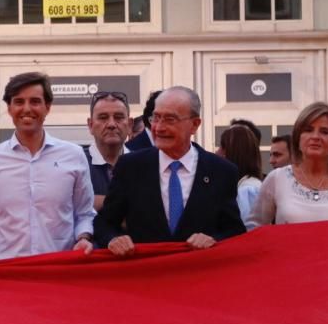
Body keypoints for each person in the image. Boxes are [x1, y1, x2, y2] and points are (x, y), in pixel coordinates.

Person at [0, 72, 95, 268]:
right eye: (19, 101)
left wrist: (83, 237)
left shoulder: (74, 155)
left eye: (35, 101)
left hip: (59, 270)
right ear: (9, 108)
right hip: (8, 274)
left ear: (47, 107)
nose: (27, 108)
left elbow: (84, 213)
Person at [94, 86, 245, 255]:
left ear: (195, 124)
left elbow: (234, 231)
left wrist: (214, 240)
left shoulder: (221, 171)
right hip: (147, 274)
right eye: (156, 118)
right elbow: (104, 223)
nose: (159, 128)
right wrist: (113, 239)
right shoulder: (131, 167)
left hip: (200, 275)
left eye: (170, 119)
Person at [247, 102, 328, 228]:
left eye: (325, 132)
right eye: (308, 130)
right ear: (298, 138)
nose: (315, 136)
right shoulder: (277, 178)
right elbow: (254, 226)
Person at [85, 91, 131, 211]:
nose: (111, 124)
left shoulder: (145, 164)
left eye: (119, 117)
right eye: (103, 118)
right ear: (90, 125)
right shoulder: (75, 162)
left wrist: (94, 201)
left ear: (130, 125)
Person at [216, 125, 263, 229]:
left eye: (222, 147)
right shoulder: (243, 187)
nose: (217, 152)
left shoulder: (248, 190)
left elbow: (247, 232)